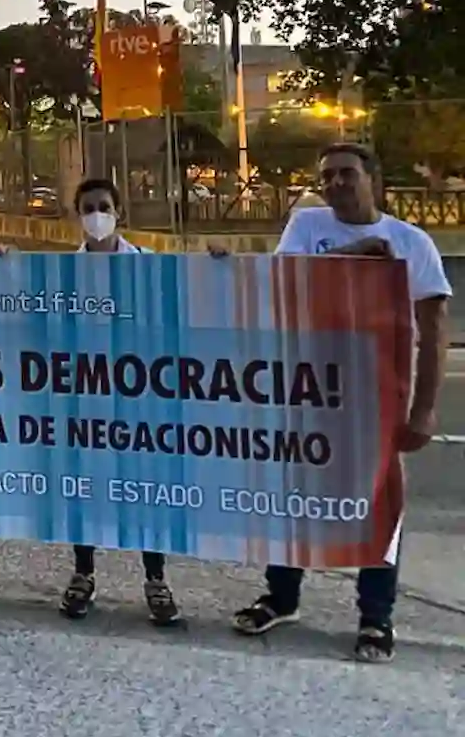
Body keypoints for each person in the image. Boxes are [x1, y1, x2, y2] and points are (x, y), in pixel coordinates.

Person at [230, 143, 449, 664]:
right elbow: (285, 285)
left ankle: (376, 616)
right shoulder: (307, 227)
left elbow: (435, 330)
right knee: (292, 497)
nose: (335, 185)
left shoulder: (411, 242)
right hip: (308, 392)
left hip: (377, 397)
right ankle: (281, 597)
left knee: (380, 505)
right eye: (326, 177)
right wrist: (356, 260)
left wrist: (424, 409)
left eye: (347, 174)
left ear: (372, 179)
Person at [56, 178, 181, 627]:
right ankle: (83, 573)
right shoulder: (61, 275)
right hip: (85, 397)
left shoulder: (148, 267)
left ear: (119, 212)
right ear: (77, 215)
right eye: (88, 208)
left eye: (103, 206)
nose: (96, 215)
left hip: (138, 395)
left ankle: (155, 578)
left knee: (144, 487)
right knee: (85, 489)